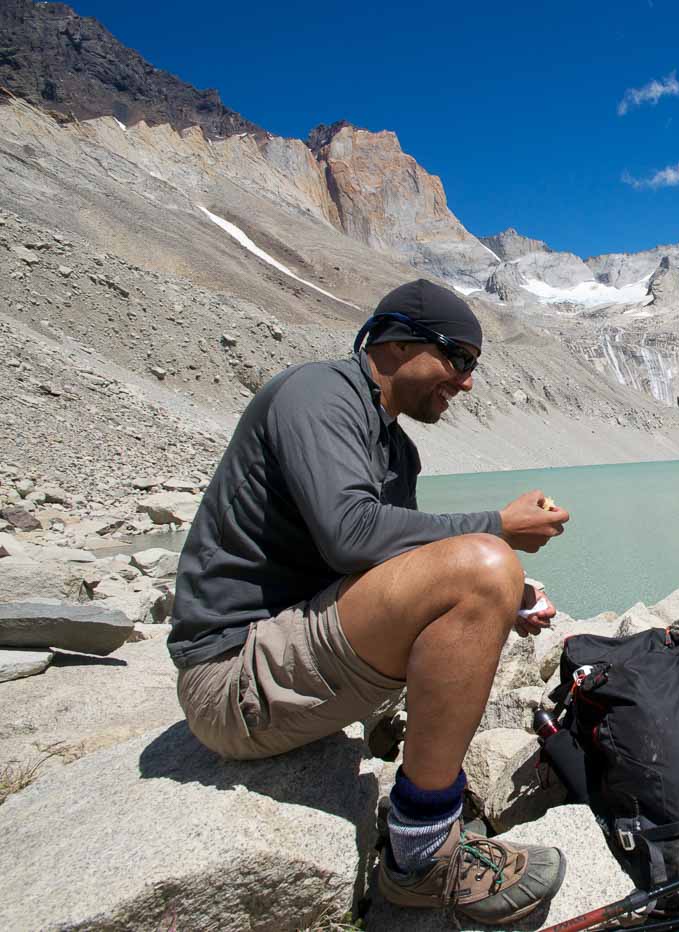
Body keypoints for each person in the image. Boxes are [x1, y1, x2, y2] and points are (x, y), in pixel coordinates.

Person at [166, 279, 570, 924]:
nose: (466, 383)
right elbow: (350, 533)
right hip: (231, 679)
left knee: (488, 575)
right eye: (457, 359)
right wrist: (495, 530)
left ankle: (419, 811)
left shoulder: (396, 447)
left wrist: (507, 597)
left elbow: (396, 569)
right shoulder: (317, 393)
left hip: (285, 655)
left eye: (474, 367)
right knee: (483, 563)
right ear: (398, 341)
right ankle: (422, 857)